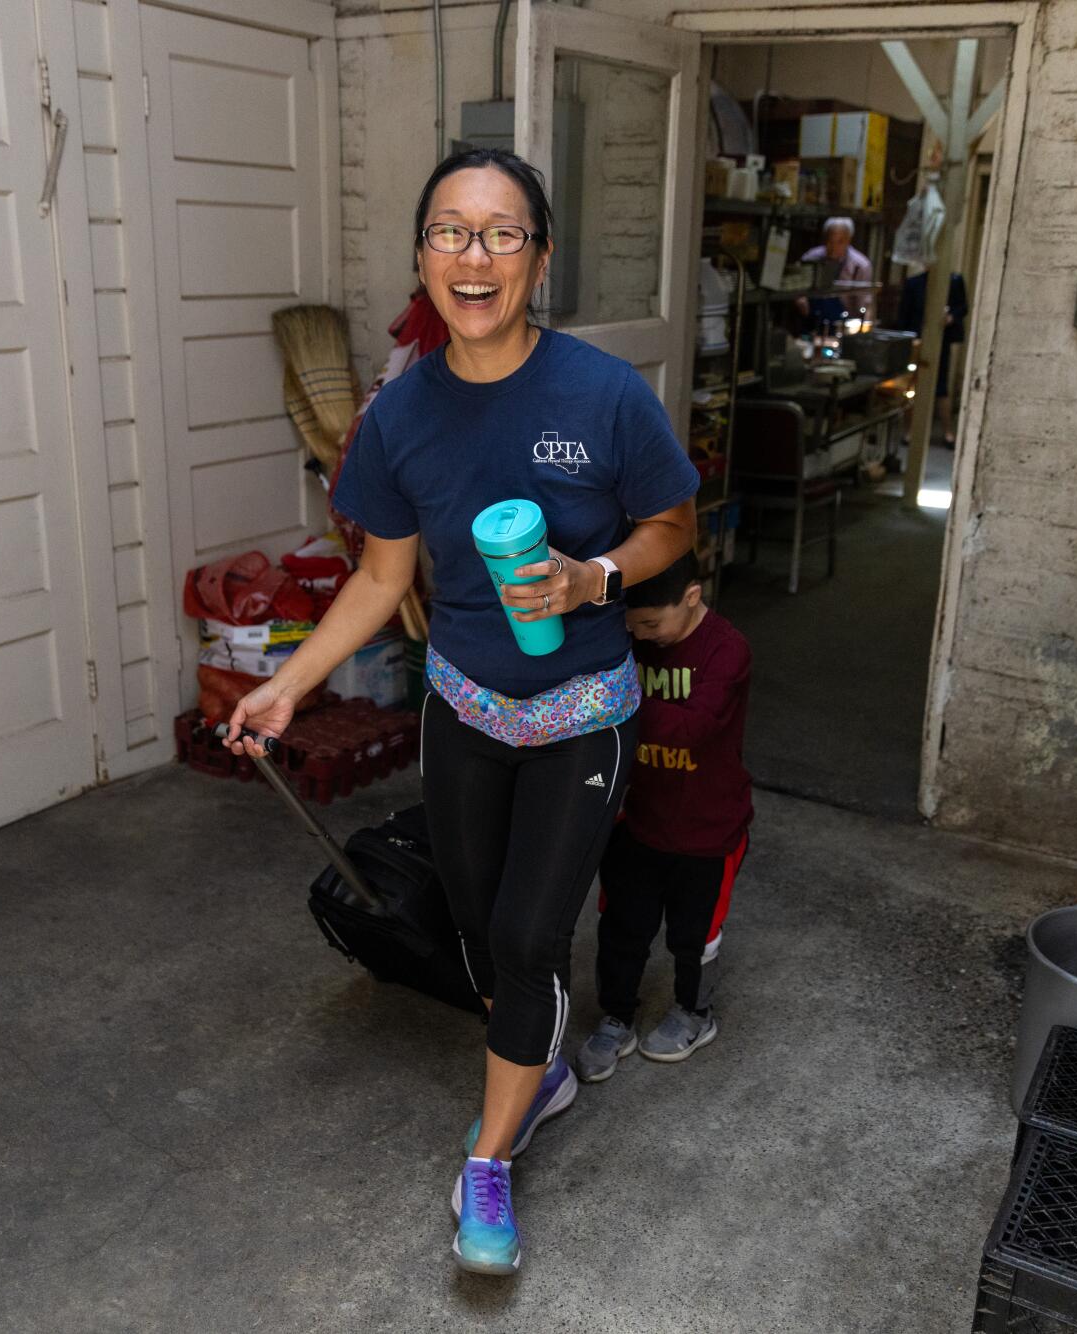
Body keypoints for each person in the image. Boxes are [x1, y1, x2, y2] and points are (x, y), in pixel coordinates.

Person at [224, 147, 698, 1278]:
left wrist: (593, 579)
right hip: (467, 702)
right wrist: (287, 681)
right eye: (449, 231)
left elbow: (674, 528)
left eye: (500, 233)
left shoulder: (603, 394)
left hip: (583, 702)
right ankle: (541, 1064)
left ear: (537, 258)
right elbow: (384, 579)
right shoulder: (398, 416)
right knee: (482, 926)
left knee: (535, 931)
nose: (472, 256)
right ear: (421, 256)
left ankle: (489, 1155)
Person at [576, 554, 753, 1082]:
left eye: (652, 623)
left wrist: (613, 697)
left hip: (708, 825)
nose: (643, 635)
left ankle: (694, 1013)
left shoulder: (727, 650)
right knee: (622, 927)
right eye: (633, 627)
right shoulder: (632, 638)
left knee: (695, 935)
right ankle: (616, 1017)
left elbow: (691, 729)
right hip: (635, 818)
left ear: (692, 596)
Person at [896, 269, 968, 448]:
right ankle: (909, 430)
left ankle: (947, 431)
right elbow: (905, 313)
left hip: (940, 339)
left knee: (941, 385)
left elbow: (962, 307)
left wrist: (950, 317)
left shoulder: (953, 281)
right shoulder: (915, 283)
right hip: (917, 340)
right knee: (912, 385)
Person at [795, 215, 875, 321]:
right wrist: (801, 300)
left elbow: (865, 303)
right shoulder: (811, 258)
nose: (833, 247)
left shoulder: (860, 265)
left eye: (840, 242)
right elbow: (796, 286)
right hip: (812, 320)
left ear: (848, 240)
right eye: (830, 241)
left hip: (844, 324)